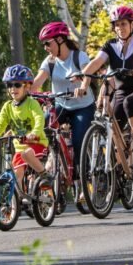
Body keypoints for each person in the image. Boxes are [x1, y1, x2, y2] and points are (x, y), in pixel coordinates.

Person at [75, 6, 133, 156]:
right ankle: (120, 167)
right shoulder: (110, 45)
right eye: (117, 25)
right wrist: (82, 75)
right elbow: (97, 61)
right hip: (121, 92)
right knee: (112, 128)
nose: (120, 28)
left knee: (130, 103)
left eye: (124, 24)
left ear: (132, 25)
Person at [32, 21, 95, 190]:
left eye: (48, 43)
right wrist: (24, 94)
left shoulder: (78, 56)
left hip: (82, 106)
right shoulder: (50, 62)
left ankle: (84, 180)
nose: (45, 47)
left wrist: (83, 87)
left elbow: (87, 74)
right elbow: (36, 83)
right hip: (61, 104)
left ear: (60, 40)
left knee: (79, 139)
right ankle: (54, 161)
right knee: (43, 126)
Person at [0, 65, 49, 193]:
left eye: (17, 85)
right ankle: (15, 203)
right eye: (9, 85)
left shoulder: (32, 103)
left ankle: (44, 175)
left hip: (37, 144)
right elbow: (0, 123)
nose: (13, 88)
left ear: (27, 86)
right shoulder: (7, 106)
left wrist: (34, 133)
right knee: (16, 175)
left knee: (26, 154)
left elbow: (39, 119)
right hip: (20, 148)